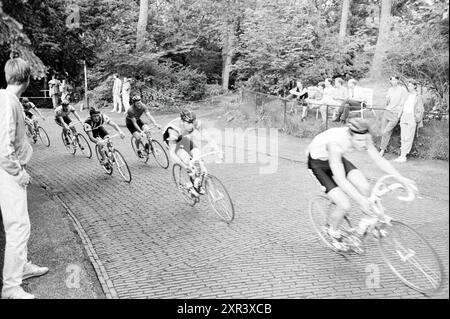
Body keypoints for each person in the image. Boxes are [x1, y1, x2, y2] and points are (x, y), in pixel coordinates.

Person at [306, 118, 416, 251]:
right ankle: (333, 231)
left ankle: (363, 228)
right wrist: (361, 201)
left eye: (365, 140)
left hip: (337, 159)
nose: (363, 144)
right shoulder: (335, 143)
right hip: (318, 164)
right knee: (344, 204)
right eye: (358, 141)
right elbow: (341, 179)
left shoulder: (363, 137)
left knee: (366, 188)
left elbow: (379, 160)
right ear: (349, 136)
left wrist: (401, 179)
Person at [0, 58, 49, 299]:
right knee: (18, 226)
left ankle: (21, 268)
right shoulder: (8, 102)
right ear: (27, 79)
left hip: (8, 170)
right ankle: (11, 287)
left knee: (21, 225)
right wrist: (18, 173)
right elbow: (4, 147)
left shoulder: (6, 99)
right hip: (8, 172)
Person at [163, 109, 222, 196]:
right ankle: (189, 186)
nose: (192, 126)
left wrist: (217, 150)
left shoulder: (195, 123)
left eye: (192, 123)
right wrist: (185, 166)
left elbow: (207, 137)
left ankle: (197, 181)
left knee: (197, 155)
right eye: (189, 123)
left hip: (183, 138)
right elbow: (172, 154)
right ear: (183, 122)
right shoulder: (173, 130)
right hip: (172, 141)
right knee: (185, 159)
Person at [394, 80, 425, 163]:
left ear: (415, 86)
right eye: (408, 85)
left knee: (408, 137)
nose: (409, 87)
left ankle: (403, 156)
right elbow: (402, 105)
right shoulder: (407, 95)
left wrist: (417, 119)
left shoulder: (418, 96)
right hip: (404, 116)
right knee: (403, 136)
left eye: (411, 85)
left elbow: (421, 109)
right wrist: (399, 116)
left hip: (412, 117)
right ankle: (401, 155)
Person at [379, 76, 408, 157]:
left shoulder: (402, 90)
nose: (394, 82)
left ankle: (382, 149)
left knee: (386, 131)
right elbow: (387, 102)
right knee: (384, 132)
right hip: (387, 112)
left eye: (395, 80)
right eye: (392, 80)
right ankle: (382, 149)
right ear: (390, 82)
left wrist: (398, 115)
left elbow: (403, 103)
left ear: (398, 81)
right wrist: (387, 100)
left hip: (395, 114)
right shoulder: (390, 89)